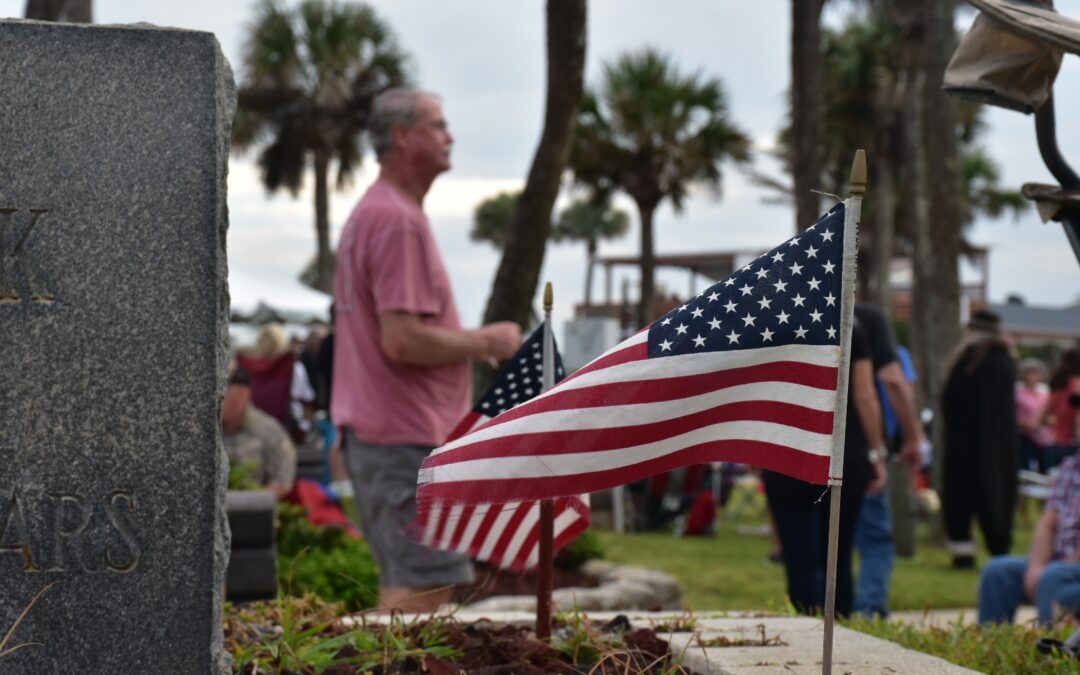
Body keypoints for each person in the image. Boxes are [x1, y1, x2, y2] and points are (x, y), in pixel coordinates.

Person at [331, 88, 522, 613]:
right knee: (423, 595)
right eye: (438, 125)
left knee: (410, 586)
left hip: (386, 438)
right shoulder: (397, 220)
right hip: (405, 438)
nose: (450, 136)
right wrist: (487, 341)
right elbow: (402, 340)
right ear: (402, 137)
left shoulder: (375, 213)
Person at [763, 319, 887, 617]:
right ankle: (839, 625)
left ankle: (804, 625)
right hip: (842, 450)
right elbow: (865, 395)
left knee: (796, 556)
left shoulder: (773, 326)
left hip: (785, 447)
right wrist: (876, 453)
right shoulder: (850, 327)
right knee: (838, 554)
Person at [851, 303, 928, 617]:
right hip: (859, 444)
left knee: (823, 539)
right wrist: (912, 436)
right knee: (876, 539)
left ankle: (817, 612)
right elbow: (892, 381)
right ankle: (868, 610)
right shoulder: (868, 320)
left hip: (807, 443)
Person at [942, 309, 1019, 568]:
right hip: (998, 446)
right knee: (994, 496)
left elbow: (950, 404)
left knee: (960, 500)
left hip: (965, 445)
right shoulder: (1005, 362)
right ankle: (999, 550)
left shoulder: (968, 362)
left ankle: (964, 553)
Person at [979, 452, 1080, 626]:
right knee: (997, 571)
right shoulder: (1071, 466)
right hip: (1059, 566)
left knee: (1053, 576)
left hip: (1067, 570)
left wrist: (1060, 569)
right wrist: (1036, 567)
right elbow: (1048, 523)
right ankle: (989, 646)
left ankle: (1050, 647)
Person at [222, 362, 297, 499]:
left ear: (243, 394)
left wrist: (246, 504)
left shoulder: (268, 430)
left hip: (255, 513)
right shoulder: (204, 433)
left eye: (223, 392)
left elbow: (282, 482)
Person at [1042, 348, 1080, 469]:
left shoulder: (1057, 385)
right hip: (1072, 443)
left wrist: (1057, 423)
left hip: (1052, 441)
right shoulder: (1077, 384)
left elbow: (1043, 417)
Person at [1016, 358, 1052, 473]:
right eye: (1030, 373)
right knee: (1026, 469)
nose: (1033, 377)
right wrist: (1028, 425)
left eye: (1036, 373)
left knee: (1045, 468)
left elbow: (1049, 413)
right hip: (1026, 436)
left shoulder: (1044, 393)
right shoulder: (1018, 393)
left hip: (1043, 437)